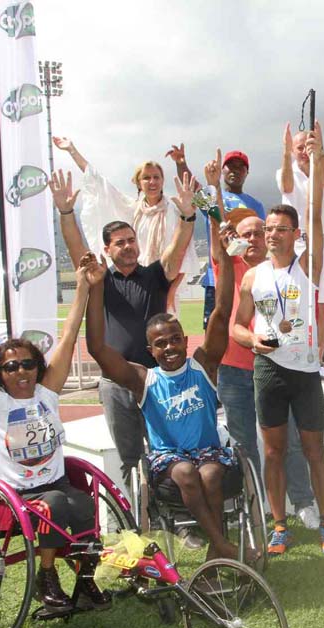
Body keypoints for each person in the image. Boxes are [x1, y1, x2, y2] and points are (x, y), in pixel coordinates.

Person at [0, 255, 111, 613]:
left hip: (54, 482)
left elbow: (69, 335)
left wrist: (83, 286)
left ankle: (86, 582)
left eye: (28, 363)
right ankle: (46, 579)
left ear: (37, 367)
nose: (22, 371)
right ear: (0, 373)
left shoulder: (47, 394)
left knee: (85, 504)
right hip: (15, 493)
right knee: (54, 505)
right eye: (11, 366)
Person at [85, 163, 248, 564]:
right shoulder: (144, 378)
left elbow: (222, 309)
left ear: (185, 339)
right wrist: (90, 292)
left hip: (207, 453)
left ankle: (216, 547)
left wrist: (223, 256)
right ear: (151, 350)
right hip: (170, 462)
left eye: (176, 339)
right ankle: (219, 547)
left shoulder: (202, 365)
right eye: (161, 344)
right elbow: (96, 348)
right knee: (185, 473)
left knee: (209, 473)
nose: (171, 347)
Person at [48, 169, 196, 502]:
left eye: (132, 240)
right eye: (121, 243)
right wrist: (66, 213)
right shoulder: (100, 279)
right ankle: (137, 520)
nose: (129, 247)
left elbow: (178, 246)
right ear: (107, 249)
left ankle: (178, 517)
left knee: (169, 452)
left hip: (156, 383)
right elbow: (77, 251)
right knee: (131, 460)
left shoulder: (157, 275)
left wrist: (187, 215)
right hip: (115, 384)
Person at [232, 123, 324, 556]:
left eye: (281, 228)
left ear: (295, 234)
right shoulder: (253, 276)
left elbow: (314, 210)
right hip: (268, 369)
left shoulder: (309, 265)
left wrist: (315, 154)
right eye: (269, 228)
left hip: (305, 371)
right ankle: (280, 525)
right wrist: (253, 342)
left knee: (314, 449)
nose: (273, 233)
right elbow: (237, 327)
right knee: (273, 452)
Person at [52, 136, 199, 313]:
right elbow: (99, 184)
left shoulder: (175, 211)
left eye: (156, 177)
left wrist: (170, 292)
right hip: (136, 283)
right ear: (138, 183)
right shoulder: (132, 210)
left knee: (164, 336)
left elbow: (183, 251)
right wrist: (72, 150)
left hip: (165, 286)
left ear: (162, 181)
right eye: (146, 178)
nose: (152, 182)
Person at [170, 144, 265, 331]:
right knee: (215, 331)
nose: (235, 171)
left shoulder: (257, 205)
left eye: (241, 167)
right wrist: (181, 163)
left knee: (250, 327)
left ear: (247, 172)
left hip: (249, 277)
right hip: (217, 279)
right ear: (223, 170)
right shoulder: (213, 196)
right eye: (231, 166)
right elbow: (192, 188)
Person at [278, 123, 324, 357]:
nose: (303, 151)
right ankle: (294, 352)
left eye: (306, 146)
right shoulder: (285, 170)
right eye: (298, 147)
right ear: (292, 150)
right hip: (296, 243)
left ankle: (319, 356)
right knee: (294, 302)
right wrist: (284, 153)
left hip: (322, 240)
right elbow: (286, 185)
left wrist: (319, 153)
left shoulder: (323, 168)